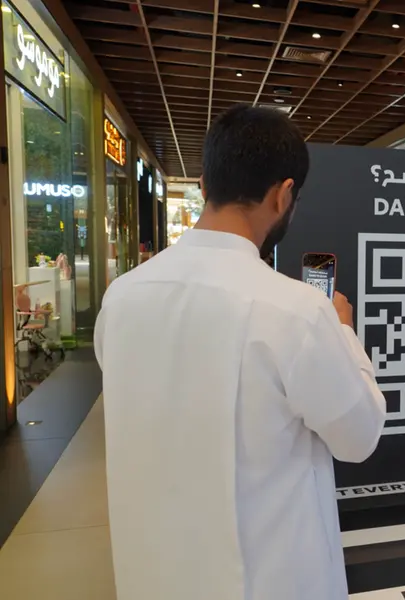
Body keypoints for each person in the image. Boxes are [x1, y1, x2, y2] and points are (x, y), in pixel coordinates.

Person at [95, 105, 387, 600]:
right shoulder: (297, 311)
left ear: (204, 184)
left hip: (151, 571)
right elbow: (358, 437)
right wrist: (344, 333)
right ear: (283, 194)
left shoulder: (121, 297)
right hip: (270, 579)